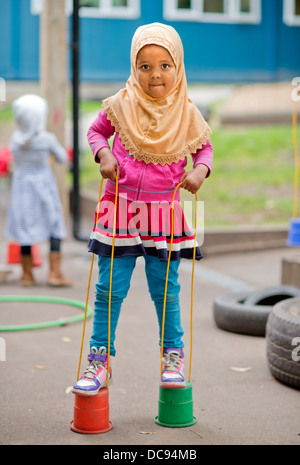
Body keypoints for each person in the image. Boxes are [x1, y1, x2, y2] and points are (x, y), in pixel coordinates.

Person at [73, 22, 213, 395]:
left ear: (178, 67)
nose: (155, 75)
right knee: (108, 290)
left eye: (164, 65)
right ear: (134, 68)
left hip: (163, 215)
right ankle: (100, 360)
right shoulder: (120, 103)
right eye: (145, 66)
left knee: (165, 290)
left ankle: (173, 357)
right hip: (118, 210)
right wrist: (103, 154)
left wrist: (200, 170)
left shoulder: (186, 110)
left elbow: (204, 148)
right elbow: (96, 131)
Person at [6, 94, 72, 287]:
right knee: (54, 224)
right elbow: (62, 157)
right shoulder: (47, 139)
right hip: (43, 186)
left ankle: (27, 275)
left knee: (25, 227)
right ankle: (55, 272)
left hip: (22, 187)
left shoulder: (15, 139)